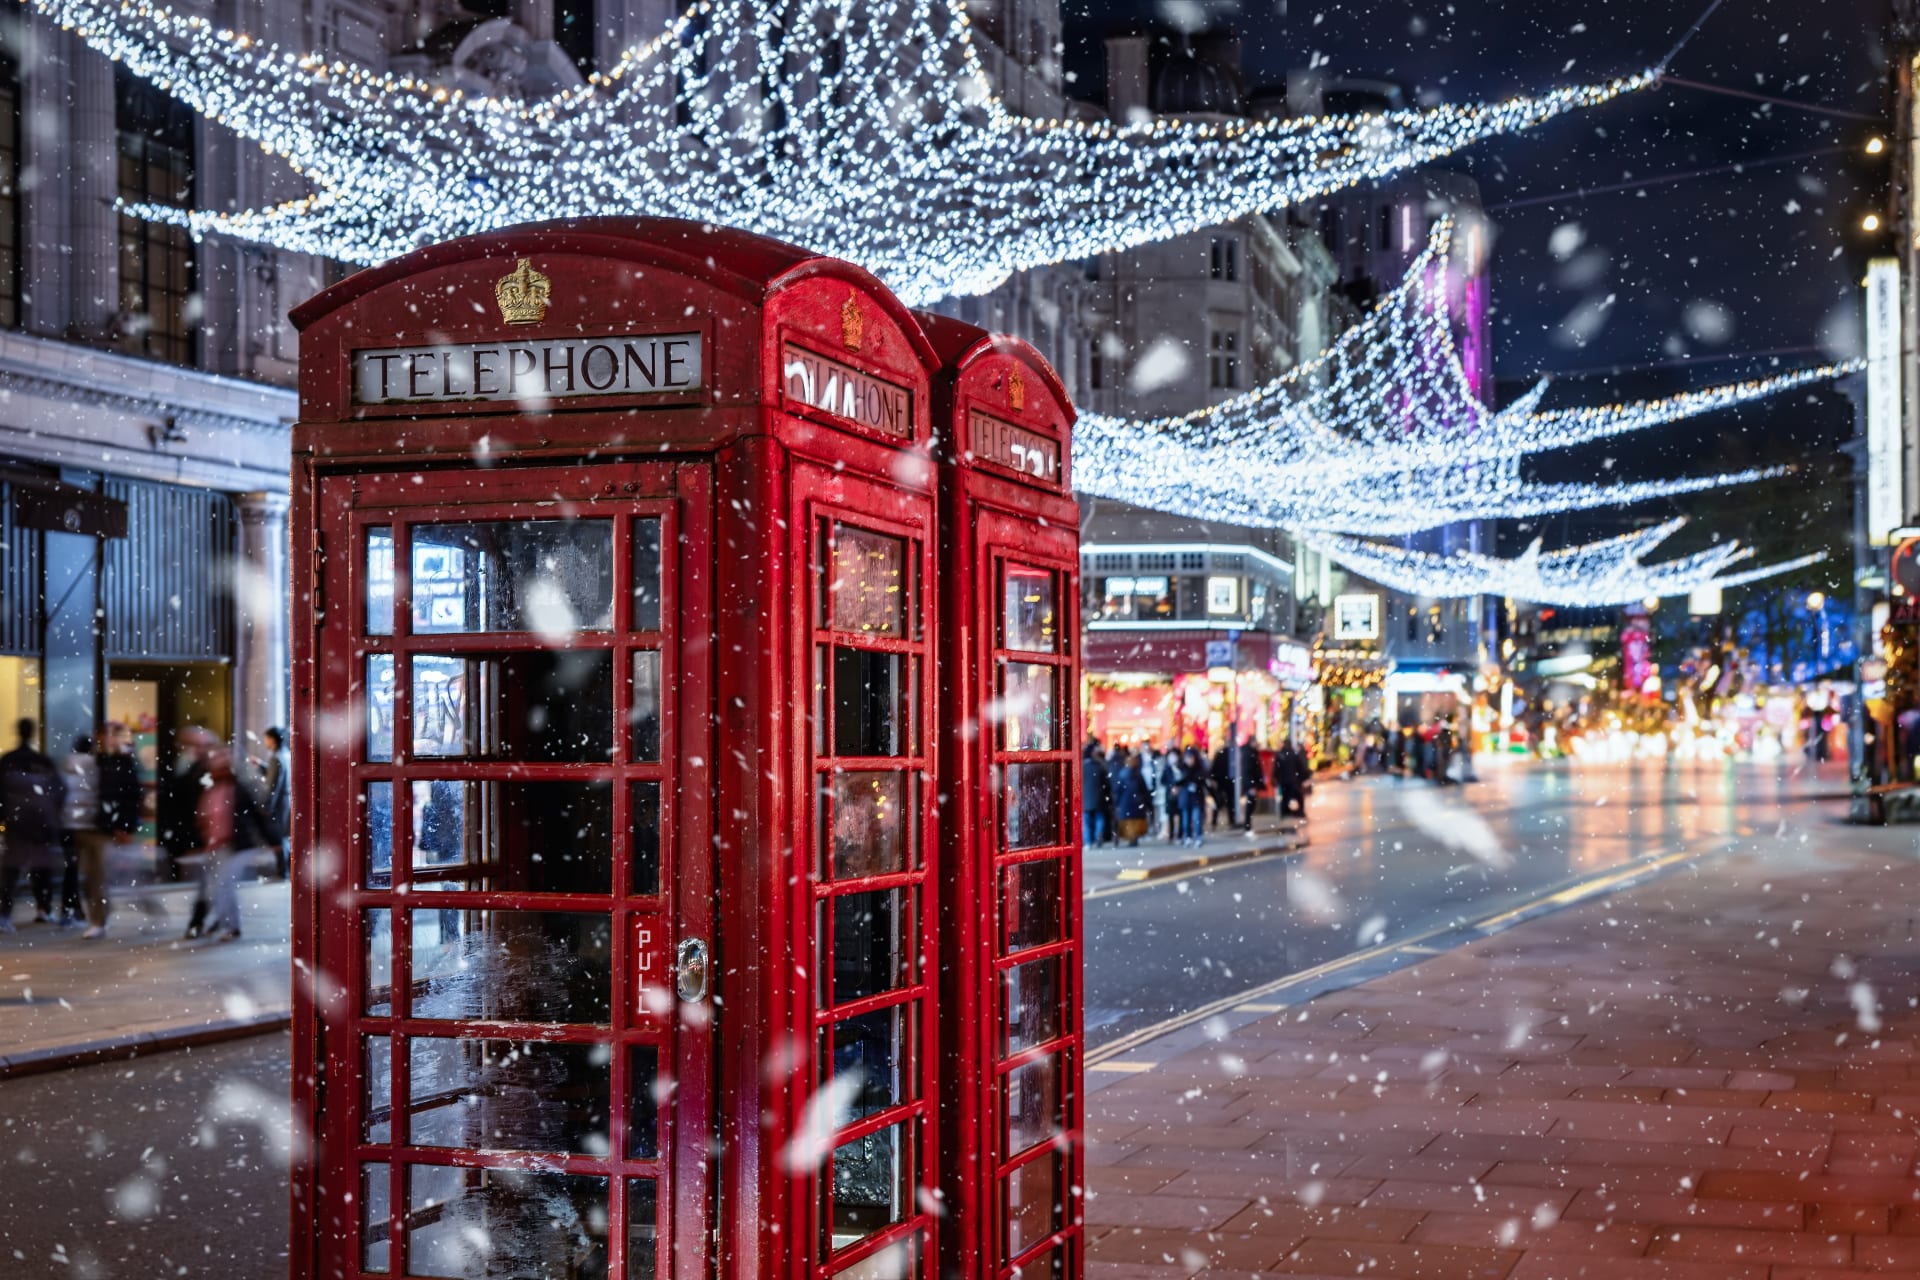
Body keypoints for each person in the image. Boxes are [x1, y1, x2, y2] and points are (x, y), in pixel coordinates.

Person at [195, 740, 281, 943]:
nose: (220, 768)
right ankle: (222, 920)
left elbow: (258, 816)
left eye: (224, 764)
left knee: (224, 885)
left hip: (237, 846)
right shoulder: (210, 791)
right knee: (215, 887)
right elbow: (204, 819)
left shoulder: (239, 790)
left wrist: (273, 841)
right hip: (217, 846)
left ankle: (231, 926)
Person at [0, 718, 66, 932]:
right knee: (41, 869)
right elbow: (60, 790)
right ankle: (43, 910)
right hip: (41, 824)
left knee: (11, 871)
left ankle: (5, 914)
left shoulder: (8, 760)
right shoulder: (43, 761)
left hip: (16, 823)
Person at [86, 723, 143, 939]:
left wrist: (124, 826)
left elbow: (131, 795)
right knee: (94, 877)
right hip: (95, 824)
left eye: (108, 735)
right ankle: (98, 918)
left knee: (101, 878)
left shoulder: (123, 762)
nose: (103, 739)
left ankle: (99, 920)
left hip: (108, 828)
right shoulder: (98, 761)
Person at [58, 733, 99, 928]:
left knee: (70, 869)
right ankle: (83, 911)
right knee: (91, 871)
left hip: (66, 824)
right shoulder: (94, 767)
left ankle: (68, 910)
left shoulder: (65, 768)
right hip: (88, 826)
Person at [259, 726, 292, 880]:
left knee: (279, 838)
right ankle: (287, 870)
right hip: (287, 799)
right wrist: (261, 766)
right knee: (285, 836)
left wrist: (267, 806)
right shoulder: (286, 755)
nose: (264, 742)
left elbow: (273, 785)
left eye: (266, 738)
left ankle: (283, 871)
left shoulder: (275, 758)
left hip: (279, 803)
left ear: (272, 740)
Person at [1111, 751, 1152, 847]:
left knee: (1127, 821)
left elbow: (1118, 790)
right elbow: (1144, 790)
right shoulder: (1139, 775)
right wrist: (1148, 802)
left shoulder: (1122, 775)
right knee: (1136, 821)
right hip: (1137, 802)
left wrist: (1116, 803)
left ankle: (1129, 837)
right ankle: (1134, 838)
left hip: (1125, 803)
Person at [1080, 737, 1112, 849]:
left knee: (1087, 821)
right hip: (1099, 797)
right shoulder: (1100, 766)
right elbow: (1107, 783)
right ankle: (1098, 837)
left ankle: (1088, 842)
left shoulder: (1081, 767)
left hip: (1085, 798)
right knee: (1099, 818)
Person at [1178, 745, 1207, 848]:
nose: (1189, 760)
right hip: (1185, 799)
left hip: (1196, 799)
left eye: (1191, 758)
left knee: (1196, 819)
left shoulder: (1199, 770)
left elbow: (1203, 780)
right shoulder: (1182, 769)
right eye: (1187, 758)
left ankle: (1198, 837)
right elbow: (1177, 782)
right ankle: (1188, 837)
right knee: (1186, 820)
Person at [1274, 738, 1310, 819]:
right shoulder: (1293, 754)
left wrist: (1276, 778)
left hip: (1283, 781)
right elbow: (1300, 767)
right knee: (1298, 796)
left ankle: (1284, 813)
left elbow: (1276, 768)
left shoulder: (1280, 755)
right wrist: (1305, 776)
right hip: (1293, 780)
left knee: (1285, 797)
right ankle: (1299, 812)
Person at [1236, 734, 1265, 829]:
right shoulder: (1248, 753)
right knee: (1251, 803)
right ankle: (1247, 825)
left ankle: (1247, 824)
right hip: (1250, 783)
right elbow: (1247, 770)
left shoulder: (1251, 752)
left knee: (1252, 803)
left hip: (1252, 782)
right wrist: (1251, 785)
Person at [1207, 743, 1233, 830]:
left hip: (1220, 781)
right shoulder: (1230, 755)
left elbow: (1213, 769)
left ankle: (1214, 821)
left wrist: (1214, 779)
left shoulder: (1219, 755)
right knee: (1229, 802)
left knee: (1218, 802)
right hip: (1228, 781)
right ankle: (1231, 820)